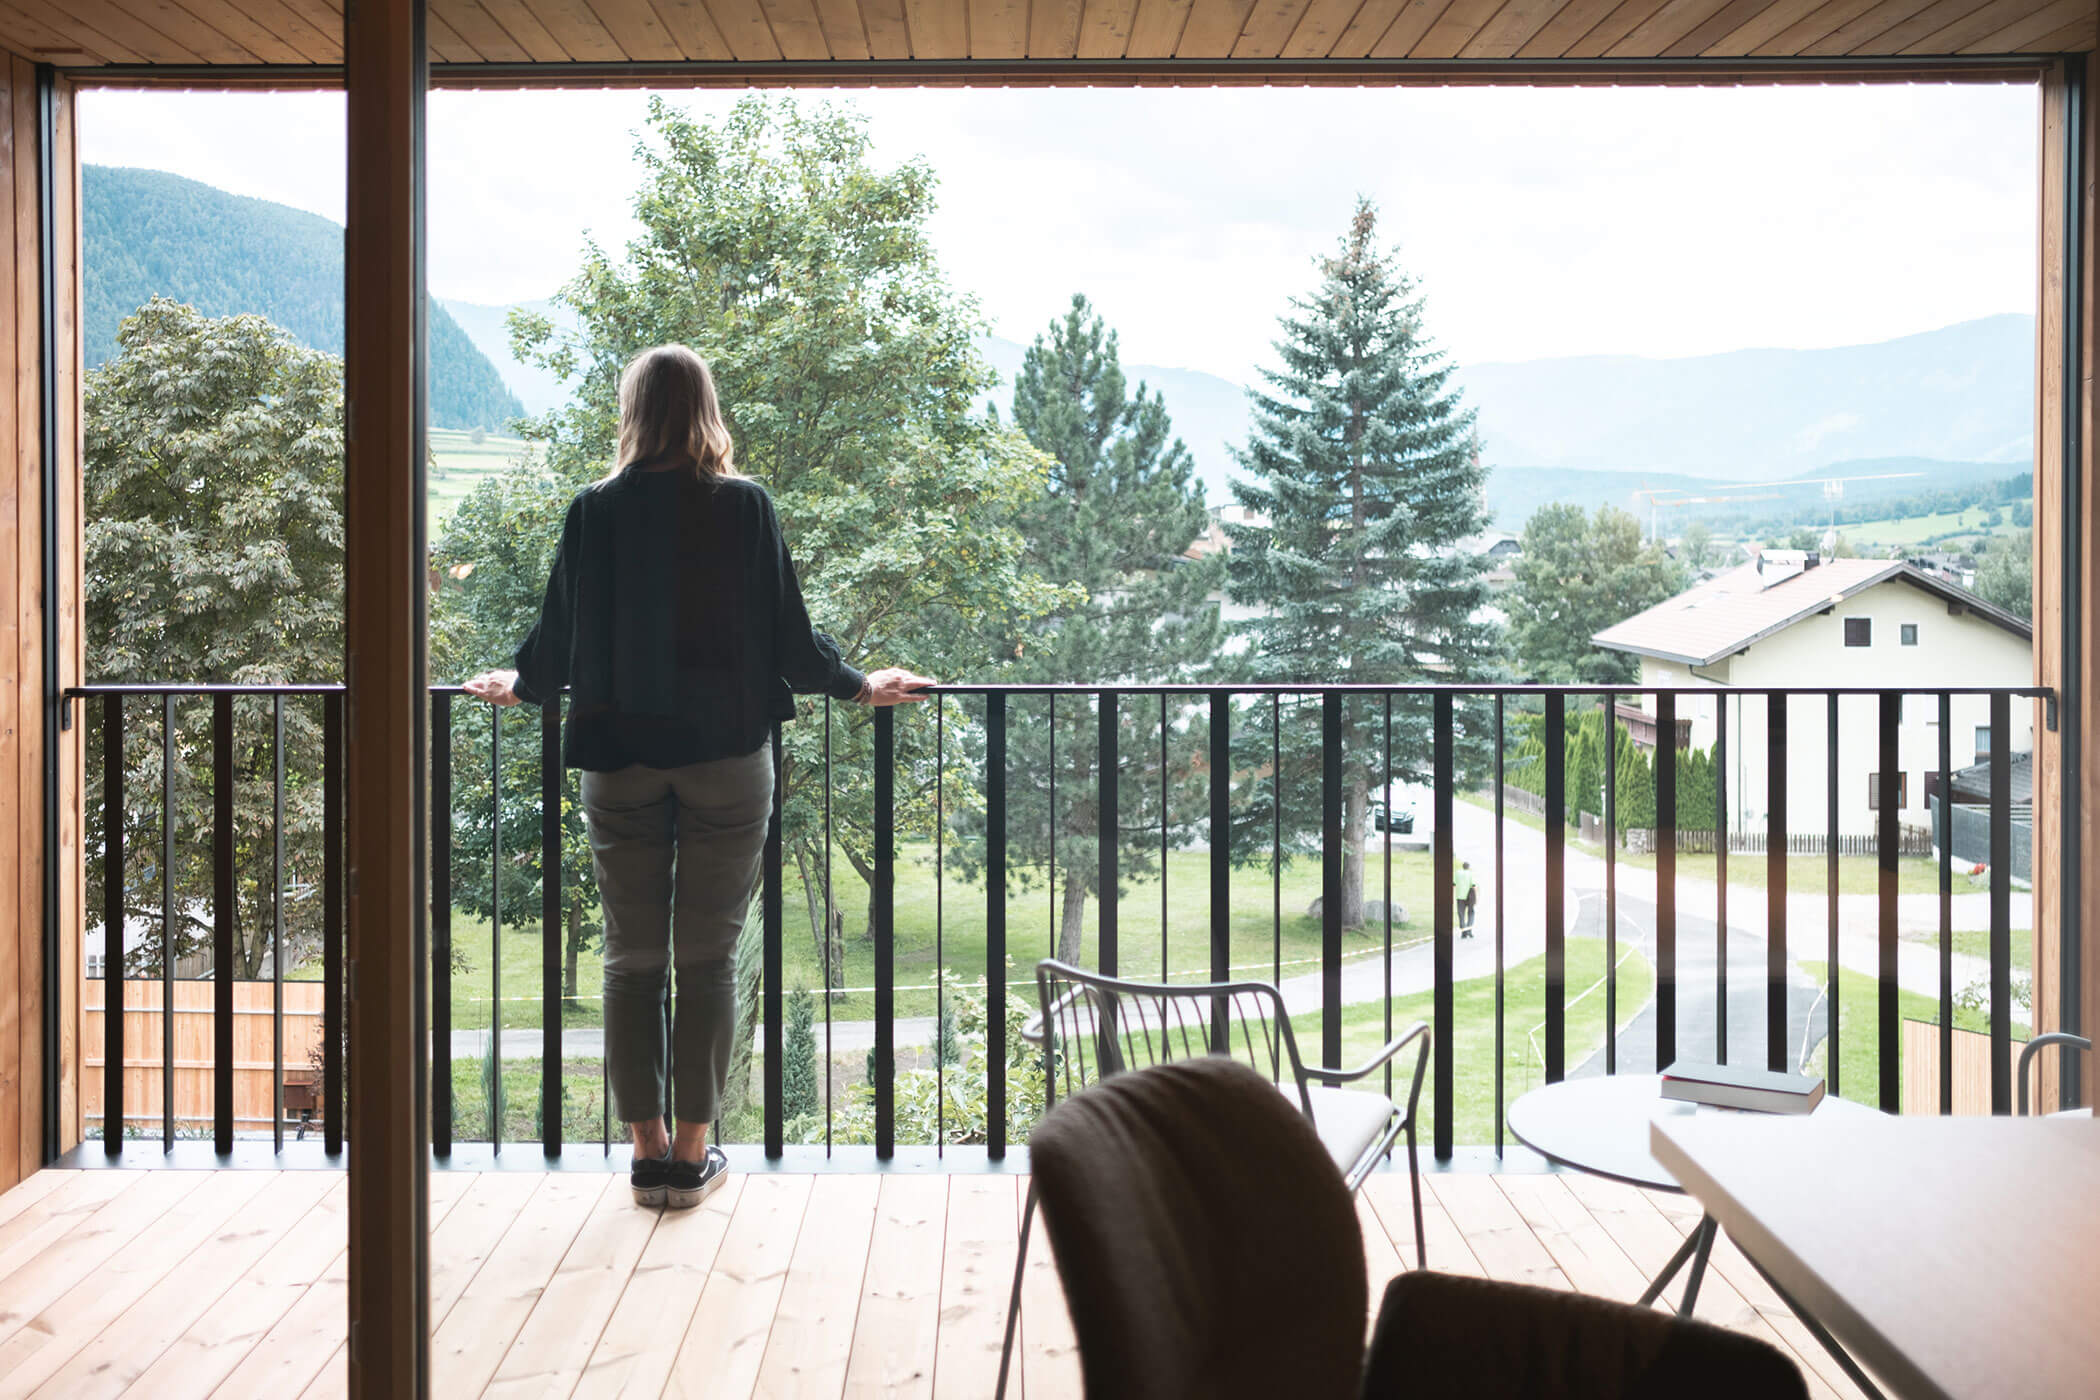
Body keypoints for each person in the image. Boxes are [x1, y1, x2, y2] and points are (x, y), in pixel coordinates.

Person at [465, 344, 932, 1210]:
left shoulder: (592, 511)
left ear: (633, 411)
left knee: (631, 958)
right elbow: (792, 636)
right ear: (707, 409)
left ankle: (643, 1157)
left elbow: (558, 632)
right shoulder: (745, 508)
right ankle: (691, 1157)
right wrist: (861, 685)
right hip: (726, 760)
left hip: (617, 759)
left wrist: (519, 687)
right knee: (710, 959)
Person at [1455, 860, 1477, 938]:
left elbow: (1454, 884)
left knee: (1461, 914)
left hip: (1460, 896)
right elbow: (1474, 885)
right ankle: (1469, 930)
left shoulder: (1457, 873)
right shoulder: (1471, 874)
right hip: (1470, 897)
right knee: (1471, 913)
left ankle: (1463, 931)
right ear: (1468, 867)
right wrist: (1476, 897)